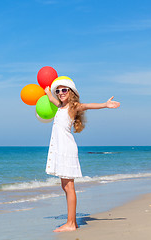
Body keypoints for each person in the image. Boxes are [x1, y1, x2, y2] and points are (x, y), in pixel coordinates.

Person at [44, 77, 120, 232]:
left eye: (64, 90)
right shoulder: (60, 105)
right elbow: (52, 99)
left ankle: (71, 224)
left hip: (66, 149)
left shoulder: (74, 107)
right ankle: (72, 222)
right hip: (60, 148)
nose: (60, 93)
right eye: (58, 91)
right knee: (65, 186)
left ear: (71, 92)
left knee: (69, 187)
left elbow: (88, 106)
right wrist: (47, 92)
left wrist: (105, 105)